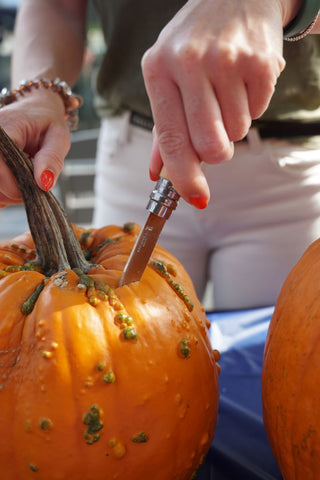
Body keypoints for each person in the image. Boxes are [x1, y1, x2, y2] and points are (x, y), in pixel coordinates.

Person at [0, 0, 319, 310]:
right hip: (134, 161)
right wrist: (39, 92)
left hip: (291, 170)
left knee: (288, 347)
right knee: (110, 345)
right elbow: (57, 4)